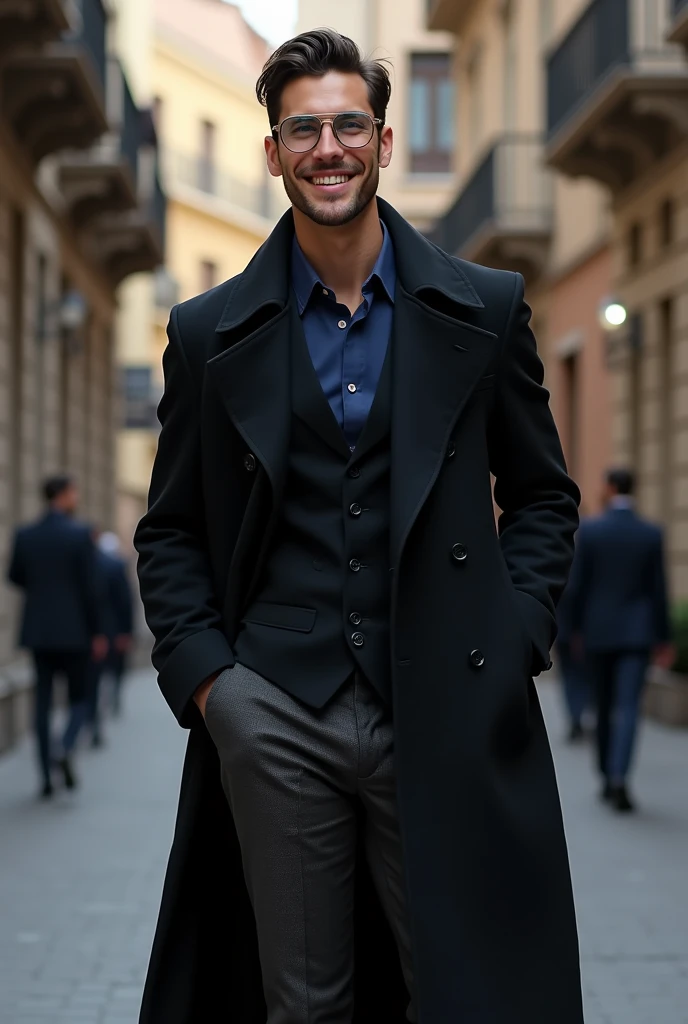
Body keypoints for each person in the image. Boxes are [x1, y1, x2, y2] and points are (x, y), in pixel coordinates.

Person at [135, 30, 583, 1024]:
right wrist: (212, 683)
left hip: (442, 702)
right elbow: (168, 531)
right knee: (302, 1005)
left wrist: (511, 640)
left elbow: (544, 495)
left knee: (464, 993)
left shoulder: (482, 307)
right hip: (274, 709)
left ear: (381, 142)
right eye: (303, 128)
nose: (326, 147)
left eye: (347, 125)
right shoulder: (209, 334)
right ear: (273, 151)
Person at [567, 468, 674, 813]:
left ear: (610, 488)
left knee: (603, 705)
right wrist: (664, 638)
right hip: (638, 634)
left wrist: (572, 631)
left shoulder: (592, 531)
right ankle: (619, 777)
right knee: (628, 707)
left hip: (598, 632)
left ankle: (605, 774)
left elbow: (577, 587)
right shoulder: (650, 532)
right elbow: (658, 591)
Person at [7, 475, 107, 797]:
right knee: (79, 699)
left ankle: (45, 780)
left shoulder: (25, 534)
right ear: (64, 495)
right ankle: (64, 747)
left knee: (42, 703)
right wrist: (98, 631)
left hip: (38, 632)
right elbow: (91, 588)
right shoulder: (80, 536)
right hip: (75, 632)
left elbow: (15, 576)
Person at [85, 530, 134, 746]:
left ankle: (93, 721)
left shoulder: (89, 564)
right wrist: (126, 632)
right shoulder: (114, 565)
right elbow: (126, 601)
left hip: (93, 633)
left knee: (95, 679)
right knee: (109, 674)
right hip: (110, 632)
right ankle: (100, 715)